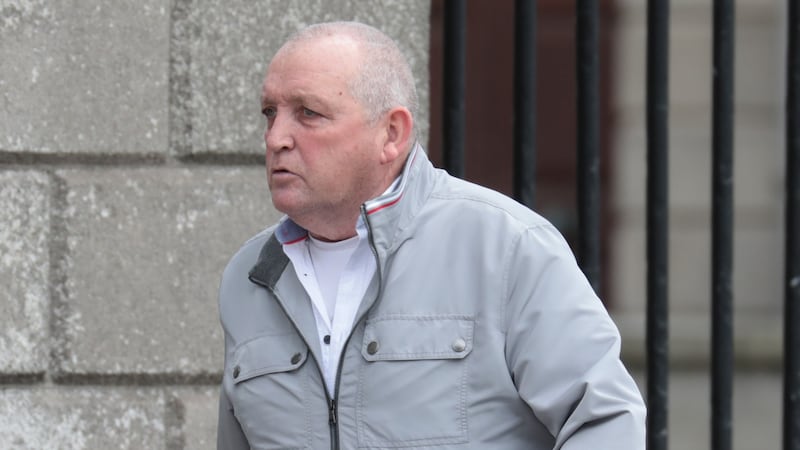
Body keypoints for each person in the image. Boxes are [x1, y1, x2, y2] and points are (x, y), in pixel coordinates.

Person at [217, 21, 646, 449]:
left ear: (391, 134)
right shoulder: (251, 275)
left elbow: (604, 420)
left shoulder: (505, 247)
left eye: (308, 113)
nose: (276, 139)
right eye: (270, 112)